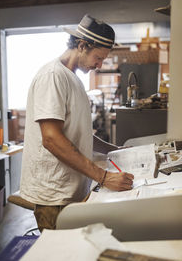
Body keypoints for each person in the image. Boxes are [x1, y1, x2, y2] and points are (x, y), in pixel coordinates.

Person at [20, 14, 134, 232]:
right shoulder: (53, 76)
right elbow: (52, 139)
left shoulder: (73, 79)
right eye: (98, 58)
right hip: (54, 195)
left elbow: (79, 134)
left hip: (73, 189)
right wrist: (104, 177)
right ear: (82, 45)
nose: (99, 65)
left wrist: (115, 150)